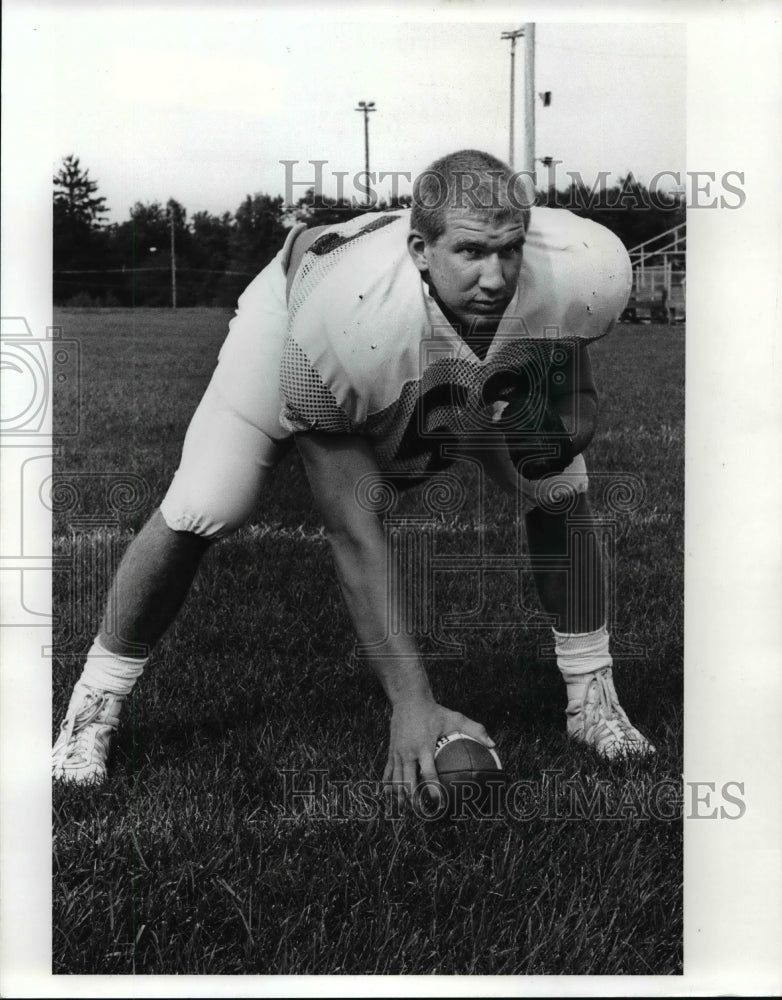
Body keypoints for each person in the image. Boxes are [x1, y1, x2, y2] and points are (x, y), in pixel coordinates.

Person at [52, 150, 655, 798]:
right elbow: (352, 528)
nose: (497, 276)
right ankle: (93, 706)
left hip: (419, 333)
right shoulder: (345, 319)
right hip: (297, 301)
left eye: (509, 250)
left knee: (559, 485)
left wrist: (542, 416)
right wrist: (412, 703)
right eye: (473, 253)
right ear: (421, 249)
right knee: (210, 501)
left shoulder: (584, 269)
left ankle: (594, 696)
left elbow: (571, 406)